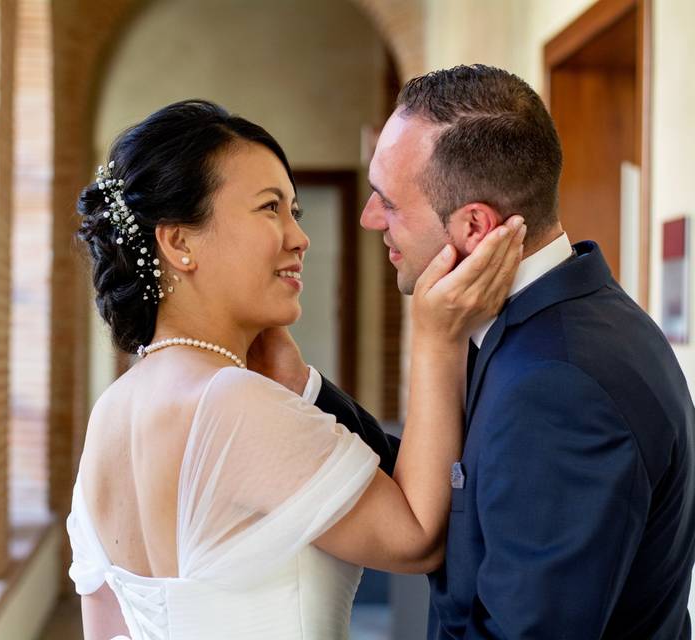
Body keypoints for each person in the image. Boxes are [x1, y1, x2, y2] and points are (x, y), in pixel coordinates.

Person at [261, 64, 695, 639]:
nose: (370, 219)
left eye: (388, 202)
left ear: (472, 226)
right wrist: (304, 390)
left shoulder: (559, 384)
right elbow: (462, 490)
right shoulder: (550, 324)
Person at [67, 99, 525, 640]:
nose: (298, 237)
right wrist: (436, 337)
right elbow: (419, 538)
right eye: (269, 209)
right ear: (179, 242)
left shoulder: (113, 411)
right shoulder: (231, 402)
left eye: (295, 212)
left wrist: (302, 387)